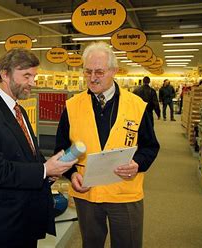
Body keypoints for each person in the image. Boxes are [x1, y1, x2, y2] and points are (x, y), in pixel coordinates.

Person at [0, 48, 77, 248]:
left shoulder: (19, 109)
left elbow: (25, 153)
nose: (32, 82)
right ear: (4, 74)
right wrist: (43, 170)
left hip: (24, 217)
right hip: (2, 222)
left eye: (34, 76)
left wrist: (48, 167)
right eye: (26, 76)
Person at [54, 42, 160, 248]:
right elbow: (62, 148)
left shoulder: (137, 105)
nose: (92, 78)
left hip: (125, 192)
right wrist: (71, 173)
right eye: (88, 72)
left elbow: (150, 147)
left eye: (99, 72)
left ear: (113, 71)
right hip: (87, 192)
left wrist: (137, 164)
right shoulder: (72, 106)